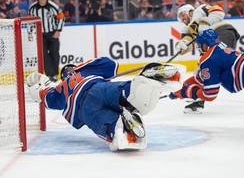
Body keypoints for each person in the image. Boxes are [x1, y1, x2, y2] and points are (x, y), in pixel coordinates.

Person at [26, 57, 186, 151]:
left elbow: (45, 98)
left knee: (109, 125)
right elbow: (110, 64)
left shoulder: (61, 88)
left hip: (85, 110)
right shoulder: (84, 70)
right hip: (98, 87)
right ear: (74, 68)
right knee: (128, 93)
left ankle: (122, 129)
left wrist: (40, 85)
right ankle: (148, 79)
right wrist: (93, 67)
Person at [169, 29, 244, 104]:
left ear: (204, 45)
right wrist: (182, 87)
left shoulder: (208, 58)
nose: (199, 49)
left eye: (200, 46)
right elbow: (202, 77)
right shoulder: (219, 47)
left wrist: (188, 92)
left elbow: (210, 94)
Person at [175, 3, 241, 114]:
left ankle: (196, 101)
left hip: (222, 32)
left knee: (207, 68)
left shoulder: (199, 11)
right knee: (203, 71)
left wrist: (206, 21)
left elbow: (219, 11)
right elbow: (187, 42)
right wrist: (181, 45)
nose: (182, 20)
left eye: (183, 15)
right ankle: (196, 102)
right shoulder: (188, 30)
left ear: (188, 11)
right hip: (212, 44)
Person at [28, 0, 65, 82]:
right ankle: (50, 75)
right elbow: (30, 21)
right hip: (40, 35)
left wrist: (58, 31)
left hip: (52, 33)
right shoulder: (33, 8)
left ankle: (55, 74)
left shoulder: (53, 6)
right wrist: (30, 33)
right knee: (44, 55)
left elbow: (61, 18)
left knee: (54, 54)